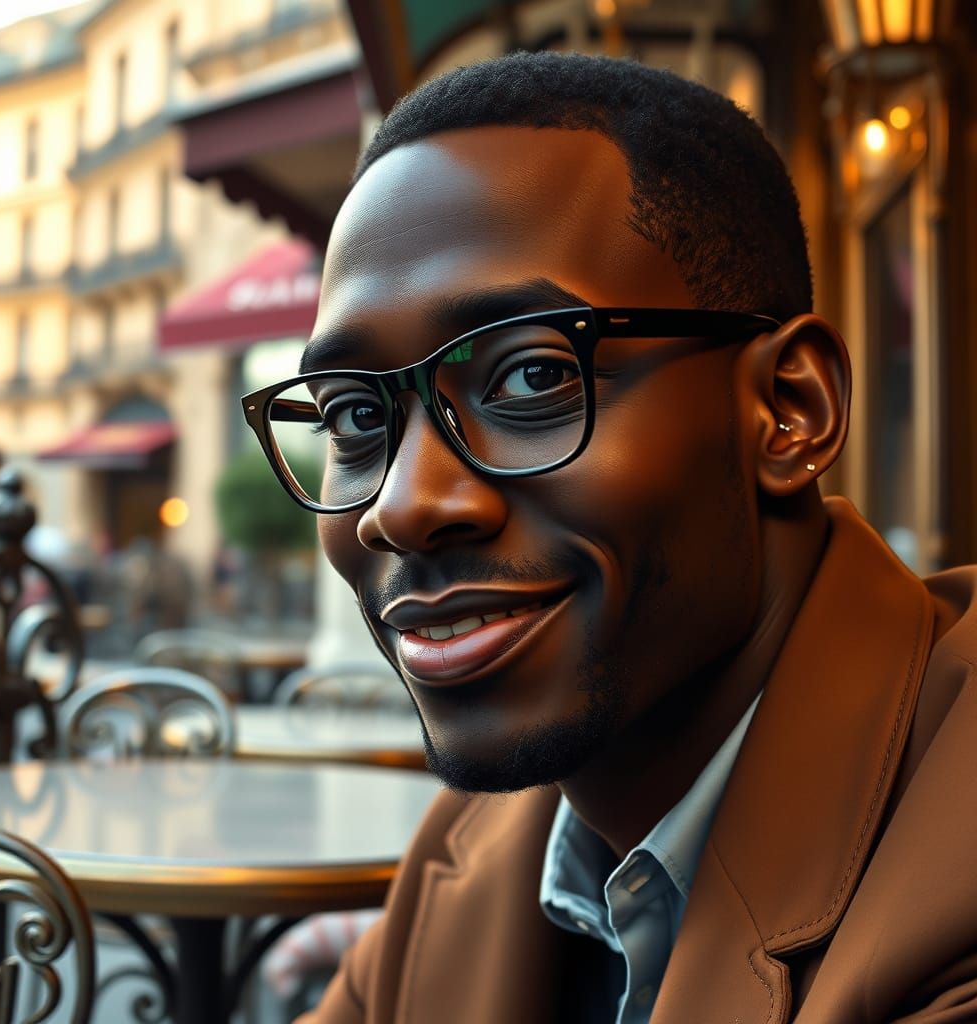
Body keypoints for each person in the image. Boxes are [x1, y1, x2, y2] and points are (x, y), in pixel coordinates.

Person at [243, 53, 977, 1022]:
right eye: (349, 417)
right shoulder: (482, 840)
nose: (402, 507)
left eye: (533, 378)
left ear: (787, 409)